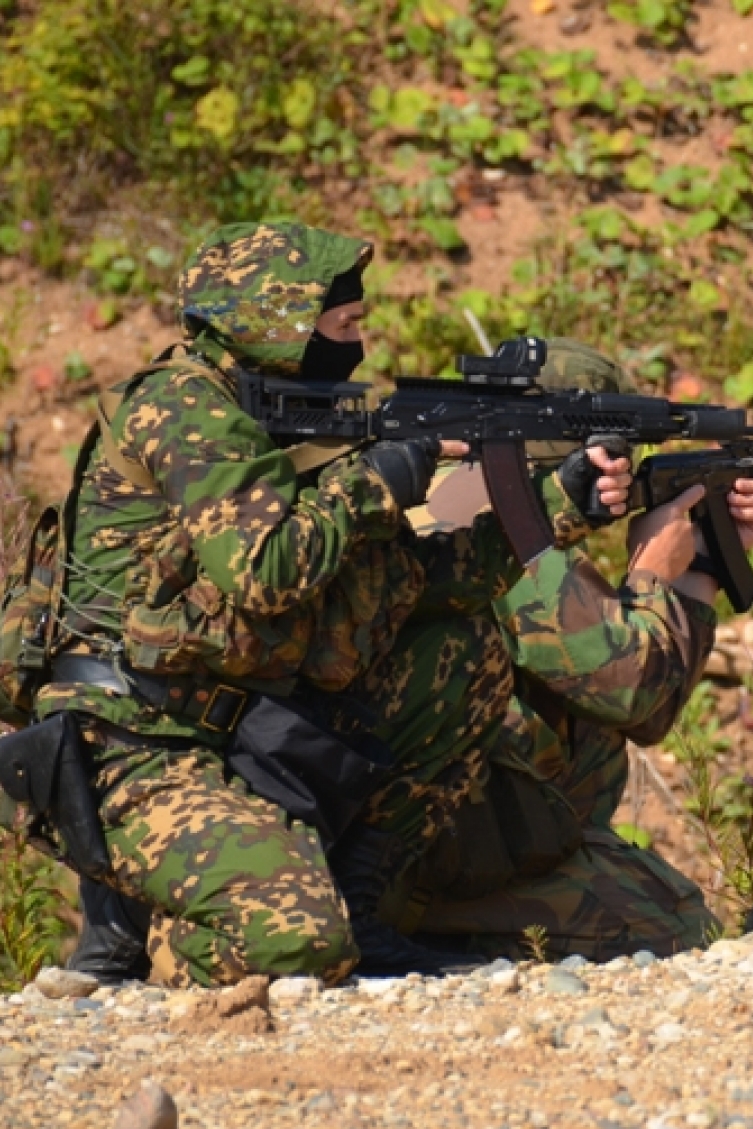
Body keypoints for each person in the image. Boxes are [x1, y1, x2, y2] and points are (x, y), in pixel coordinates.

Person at [33, 224, 628, 986]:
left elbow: (414, 579)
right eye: (344, 325)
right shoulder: (183, 408)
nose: (360, 345)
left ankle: (359, 908)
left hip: (232, 723)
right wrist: (381, 477)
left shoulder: (273, 418)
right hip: (131, 742)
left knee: (458, 647)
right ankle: (168, 954)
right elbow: (267, 571)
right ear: (277, 322)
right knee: (300, 947)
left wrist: (557, 504)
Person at [388, 340, 753, 961]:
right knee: (677, 920)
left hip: (407, 813)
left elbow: (627, 702)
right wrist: (657, 573)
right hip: (417, 845)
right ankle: (440, 928)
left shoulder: (439, 492)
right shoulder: (494, 517)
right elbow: (638, 694)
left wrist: (702, 559)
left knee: (582, 724)